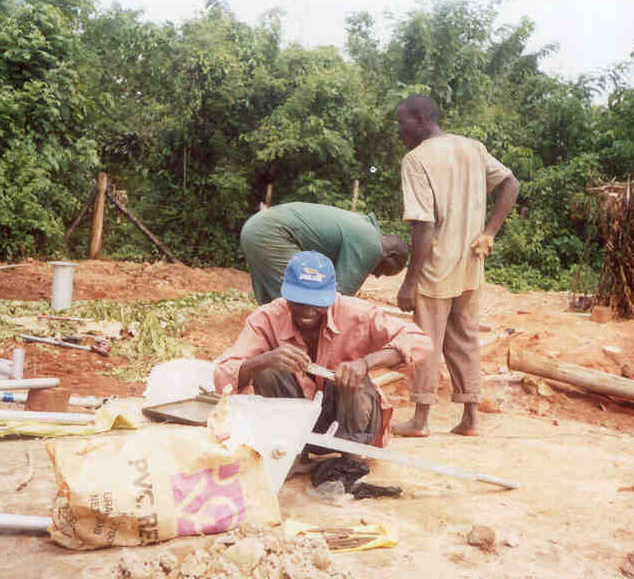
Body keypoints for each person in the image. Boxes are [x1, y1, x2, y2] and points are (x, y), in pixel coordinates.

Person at [393, 94, 520, 438]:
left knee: (425, 340)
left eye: (402, 122)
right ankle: (470, 418)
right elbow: (511, 183)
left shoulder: (416, 160)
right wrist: (489, 233)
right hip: (470, 266)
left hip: (435, 267)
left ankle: (420, 420)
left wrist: (409, 282)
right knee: (465, 339)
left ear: (421, 120)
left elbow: (424, 226)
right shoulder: (471, 148)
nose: (399, 130)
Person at [214, 251, 432, 447]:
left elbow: (419, 341)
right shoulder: (267, 318)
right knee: (267, 371)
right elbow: (222, 373)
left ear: (332, 294)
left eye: (317, 302)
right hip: (293, 424)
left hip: (350, 421)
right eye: (299, 301)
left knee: (355, 381)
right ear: (285, 293)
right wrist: (263, 361)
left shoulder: (357, 313)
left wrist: (365, 364)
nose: (307, 311)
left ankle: (349, 461)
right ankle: (290, 453)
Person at [240, 202, 409, 305]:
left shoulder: (364, 229)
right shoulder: (371, 245)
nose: (377, 275)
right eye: (385, 271)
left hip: (257, 227)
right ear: (391, 255)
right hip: (272, 234)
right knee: (303, 299)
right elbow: (337, 296)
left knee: (276, 303)